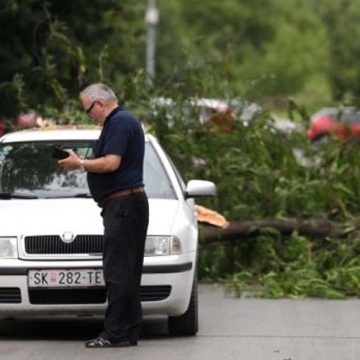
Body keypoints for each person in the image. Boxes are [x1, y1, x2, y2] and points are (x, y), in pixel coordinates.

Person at [58, 83, 149, 348]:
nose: (89, 116)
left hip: (124, 205)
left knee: (118, 271)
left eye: (88, 111)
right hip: (125, 205)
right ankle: (129, 331)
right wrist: (80, 160)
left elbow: (111, 163)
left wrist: (81, 164)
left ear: (99, 104)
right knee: (128, 271)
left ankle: (114, 332)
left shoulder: (119, 121)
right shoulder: (119, 123)